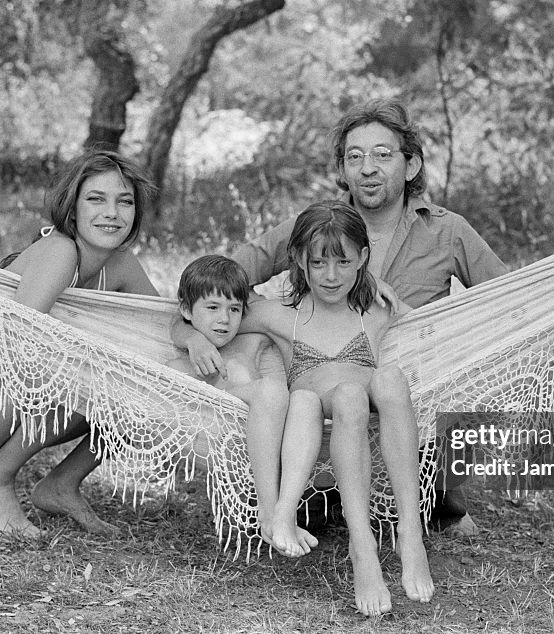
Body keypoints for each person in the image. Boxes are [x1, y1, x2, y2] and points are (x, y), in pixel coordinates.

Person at [173, 99, 509, 533]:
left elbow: (505, 305)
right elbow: (217, 284)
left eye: (383, 155)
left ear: (410, 167)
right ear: (343, 169)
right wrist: (189, 331)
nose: (368, 168)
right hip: (316, 404)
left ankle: (433, 494)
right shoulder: (316, 226)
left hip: (410, 396)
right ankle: (313, 492)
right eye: (355, 157)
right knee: (311, 498)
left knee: (421, 484)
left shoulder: (448, 231)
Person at [0, 149, 159, 538]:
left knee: (142, 388)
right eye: (96, 199)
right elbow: (22, 341)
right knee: (87, 369)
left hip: (12, 405)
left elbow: (162, 330)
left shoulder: (121, 264)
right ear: (72, 206)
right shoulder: (60, 250)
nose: (112, 213)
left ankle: (61, 485)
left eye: (125, 201)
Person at [237, 200, 434, 616]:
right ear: (298, 260)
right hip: (323, 412)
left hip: (376, 408)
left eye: (344, 262)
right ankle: (362, 545)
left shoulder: (377, 310)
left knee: (391, 377)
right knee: (347, 396)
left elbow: (446, 326)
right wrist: (194, 340)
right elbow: (195, 311)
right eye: (319, 262)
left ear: (363, 259)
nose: (331, 276)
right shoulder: (279, 314)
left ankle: (410, 533)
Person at [166, 255, 308, 555]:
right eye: (213, 308)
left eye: (234, 310)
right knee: (269, 390)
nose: (224, 319)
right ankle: (271, 513)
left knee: (276, 391)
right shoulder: (179, 361)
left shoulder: (251, 339)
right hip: (213, 418)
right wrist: (193, 339)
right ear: (186, 311)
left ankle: (272, 511)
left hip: (263, 425)